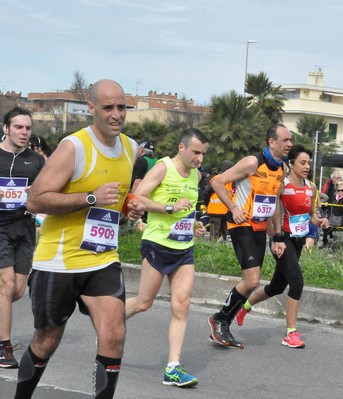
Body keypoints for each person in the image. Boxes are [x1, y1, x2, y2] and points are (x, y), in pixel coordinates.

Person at [14, 79, 145, 399]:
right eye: (108, 108)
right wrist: (90, 198)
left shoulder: (130, 148)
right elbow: (35, 201)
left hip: (102, 258)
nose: (117, 114)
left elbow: (116, 198)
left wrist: (130, 206)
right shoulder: (74, 147)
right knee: (47, 340)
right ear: (92, 109)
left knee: (114, 334)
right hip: (59, 262)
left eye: (122, 107)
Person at [125, 128, 208, 388]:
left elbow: (188, 208)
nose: (199, 159)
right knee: (143, 302)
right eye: (196, 152)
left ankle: (173, 368)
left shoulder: (196, 175)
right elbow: (138, 199)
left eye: (203, 154)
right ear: (182, 148)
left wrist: (193, 224)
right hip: (157, 244)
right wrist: (168, 207)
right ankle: (109, 325)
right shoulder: (163, 168)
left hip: (184, 248)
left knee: (181, 305)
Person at [207, 124, 292, 349]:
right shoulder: (252, 162)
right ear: (272, 142)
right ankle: (220, 320)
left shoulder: (281, 168)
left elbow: (274, 204)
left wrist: (277, 237)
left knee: (251, 283)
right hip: (241, 224)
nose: (290, 144)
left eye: (290, 140)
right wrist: (233, 207)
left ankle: (222, 321)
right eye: (285, 140)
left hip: (259, 228)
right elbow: (216, 182)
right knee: (252, 280)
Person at [235, 144, 329, 348]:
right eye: (302, 163)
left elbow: (312, 216)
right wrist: (275, 236)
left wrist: (320, 221)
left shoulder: (311, 187)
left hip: (299, 240)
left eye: (308, 163)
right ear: (291, 164)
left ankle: (246, 305)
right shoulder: (282, 185)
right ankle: (291, 333)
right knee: (297, 282)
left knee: (277, 286)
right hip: (282, 239)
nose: (306, 167)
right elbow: (271, 211)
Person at [0, 107, 46, 369]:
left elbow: (48, 191)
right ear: (6, 128)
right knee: (5, 286)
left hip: (24, 228)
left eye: (28, 128)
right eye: (18, 127)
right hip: (0, 227)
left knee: (16, 290)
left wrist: (35, 193)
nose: (24, 133)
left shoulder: (36, 161)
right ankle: (3, 348)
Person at [205, 159, 234, 242]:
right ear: (226, 170)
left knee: (223, 236)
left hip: (225, 213)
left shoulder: (229, 181)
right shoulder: (216, 180)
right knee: (215, 236)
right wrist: (207, 205)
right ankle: (214, 252)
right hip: (216, 212)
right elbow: (206, 194)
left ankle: (221, 251)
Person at [322, 181, 343, 246]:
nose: (340, 192)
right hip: (332, 217)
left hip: (341, 220)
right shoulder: (333, 197)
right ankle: (326, 244)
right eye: (338, 190)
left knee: (338, 234)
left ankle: (336, 247)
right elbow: (329, 206)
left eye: (342, 190)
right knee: (329, 232)